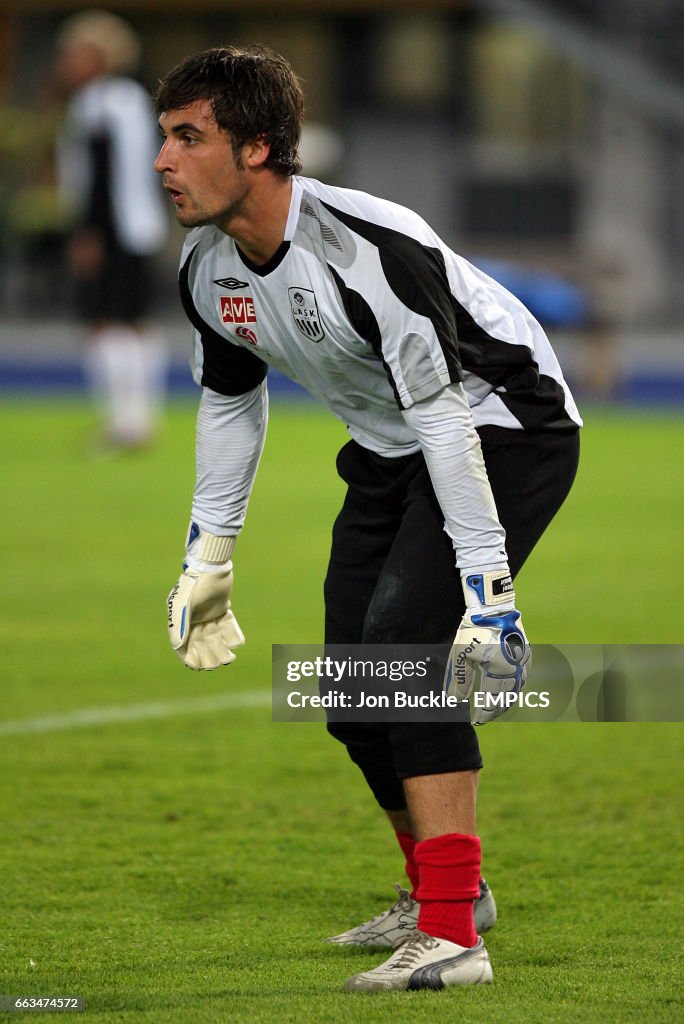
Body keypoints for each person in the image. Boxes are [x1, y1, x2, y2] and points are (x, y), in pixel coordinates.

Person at [156, 46, 581, 993]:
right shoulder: (206, 269)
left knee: (403, 649)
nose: (163, 162)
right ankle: (450, 894)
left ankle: (452, 940)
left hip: (505, 426)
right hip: (395, 450)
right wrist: (209, 554)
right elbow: (231, 403)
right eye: (164, 138)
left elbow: (443, 412)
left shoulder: (367, 245)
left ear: (258, 148)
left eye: (189, 138)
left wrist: (490, 594)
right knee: (352, 693)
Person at [56, 10, 168, 450]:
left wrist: (90, 231)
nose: (66, 62)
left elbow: (105, 177)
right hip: (134, 226)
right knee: (129, 322)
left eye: (75, 53)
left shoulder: (103, 102)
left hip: (116, 228)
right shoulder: (121, 99)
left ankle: (128, 421)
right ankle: (133, 419)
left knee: (112, 322)